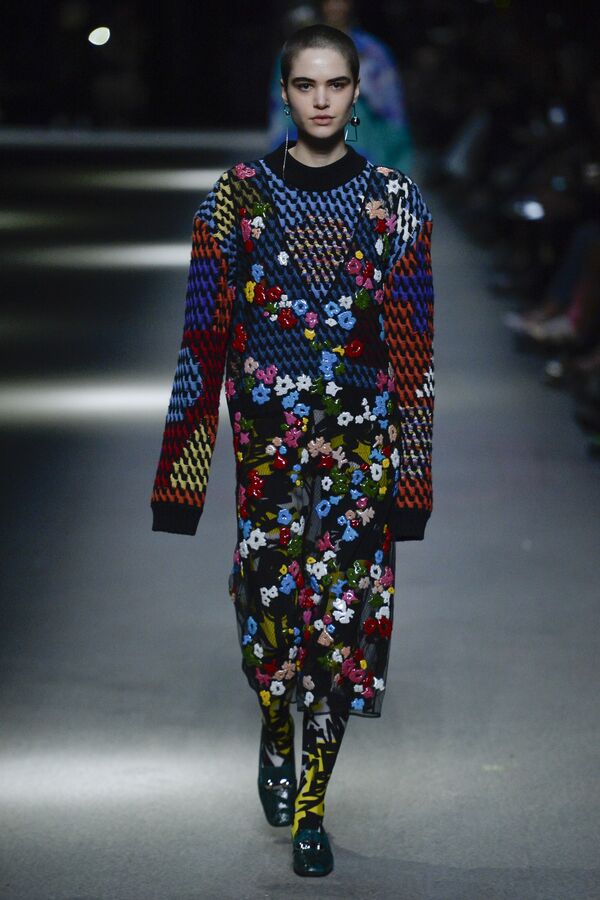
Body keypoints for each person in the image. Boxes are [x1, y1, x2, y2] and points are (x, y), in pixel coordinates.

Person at [150, 24, 434, 878]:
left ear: (356, 92)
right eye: (306, 84)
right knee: (266, 604)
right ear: (284, 92)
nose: (320, 99)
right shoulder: (234, 199)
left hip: (361, 439)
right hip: (266, 439)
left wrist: (413, 486)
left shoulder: (396, 202)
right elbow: (202, 337)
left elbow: (416, 355)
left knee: (343, 616)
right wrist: (182, 481)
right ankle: (277, 725)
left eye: (335, 84)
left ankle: (313, 807)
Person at [268, 0, 414, 173]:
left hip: (363, 143)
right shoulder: (297, 49)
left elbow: (392, 112)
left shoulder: (372, 52)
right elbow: (281, 105)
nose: (336, 6)